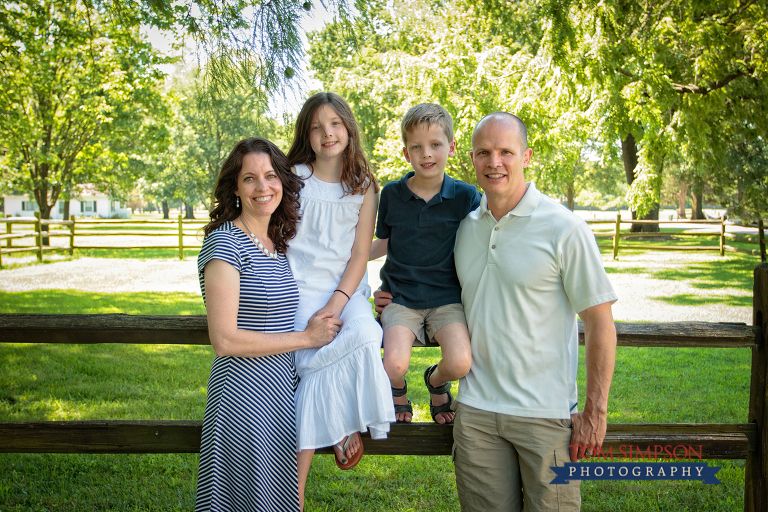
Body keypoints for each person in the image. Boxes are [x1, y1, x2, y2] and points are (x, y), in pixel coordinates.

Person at [376, 112, 618, 511]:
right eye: (484, 152)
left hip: (546, 417)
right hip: (475, 415)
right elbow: (421, 268)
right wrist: (388, 294)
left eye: (506, 151)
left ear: (527, 156)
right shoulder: (467, 226)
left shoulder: (565, 228)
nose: (495, 162)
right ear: (470, 157)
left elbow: (599, 322)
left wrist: (595, 410)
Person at [195, 137, 342, 512]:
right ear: (235, 188)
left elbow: (335, 254)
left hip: (280, 399)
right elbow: (225, 340)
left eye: (270, 176)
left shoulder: (275, 244)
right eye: (249, 179)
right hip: (243, 400)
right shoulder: (225, 245)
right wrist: (306, 339)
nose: (263, 187)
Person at [285, 92, 396, 510]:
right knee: (310, 354)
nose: (327, 133)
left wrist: (337, 302)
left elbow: (357, 256)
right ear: (306, 134)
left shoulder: (364, 186)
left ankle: (345, 422)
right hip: (297, 289)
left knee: (366, 336)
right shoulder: (292, 177)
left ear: (349, 129)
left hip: (346, 288)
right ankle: (298, 487)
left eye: (335, 124)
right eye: (316, 126)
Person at [369, 103, 480, 425]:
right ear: (406, 153)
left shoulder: (466, 196)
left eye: (435, 145)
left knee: (460, 363)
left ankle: (435, 380)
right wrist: (345, 262)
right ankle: (398, 391)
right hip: (400, 298)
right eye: (416, 147)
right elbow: (384, 243)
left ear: (452, 147)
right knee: (394, 364)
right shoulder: (391, 194)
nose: (426, 154)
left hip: (447, 298)